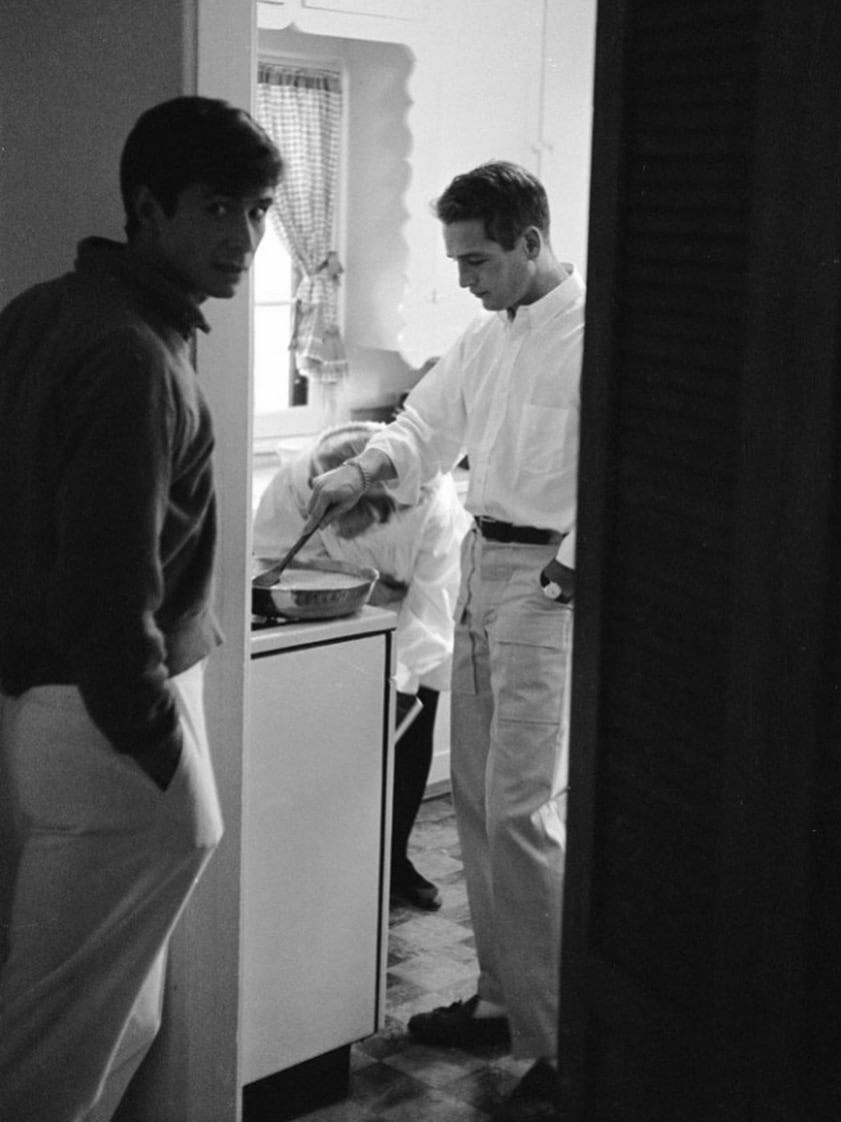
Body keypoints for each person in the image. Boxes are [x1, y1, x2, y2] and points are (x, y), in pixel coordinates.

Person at [0, 97, 282, 1122]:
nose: (242, 237)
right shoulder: (132, 355)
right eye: (216, 208)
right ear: (148, 207)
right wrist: (161, 749)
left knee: (117, 1019)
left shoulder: (44, 310)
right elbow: (106, 594)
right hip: (107, 723)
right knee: (52, 1048)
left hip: (56, 712)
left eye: (257, 211)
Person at [304, 161, 582, 1122]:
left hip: (549, 583)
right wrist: (363, 468)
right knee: (473, 800)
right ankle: (501, 1004)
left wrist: (571, 571)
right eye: (457, 260)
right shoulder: (486, 334)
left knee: (524, 814)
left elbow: (625, 462)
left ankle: (559, 1045)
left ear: (530, 242)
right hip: (480, 567)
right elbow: (427, 422)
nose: (464, 279)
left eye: (477, 261)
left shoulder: (596, 336)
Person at [253, 421, 471, 910]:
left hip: (417, 617)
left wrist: (398, 687)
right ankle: (329, 868)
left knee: (411, 733)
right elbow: (276, 562)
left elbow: (431, 606)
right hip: (338, 618)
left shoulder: (433, 503)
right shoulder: (297, 486)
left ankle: (395, 862)